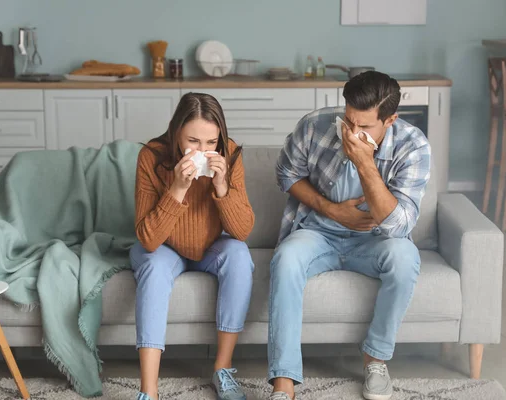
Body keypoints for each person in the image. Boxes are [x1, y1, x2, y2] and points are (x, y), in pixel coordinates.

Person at [268, 71, 431, 400]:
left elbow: (399, 225)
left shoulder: (413, 146)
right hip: (318, 232)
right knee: (285, 259)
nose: (352, 133)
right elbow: (286, 173)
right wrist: (330, 209)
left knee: (405, 258)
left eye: (365, 127)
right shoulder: (315, 126)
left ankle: (376, 360)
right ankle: (283, 383)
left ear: (390, 120)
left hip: (375, 240)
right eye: (349, 121)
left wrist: (365, 164)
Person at [130, 92, 255, 400]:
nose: (203, 151)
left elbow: (241, 231)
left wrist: (222, 186)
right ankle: (149, 390)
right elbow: (148, 238)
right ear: (176, 133)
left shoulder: (232, 154)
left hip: (211, 245)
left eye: (211, 143)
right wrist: (178, 187)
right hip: (164, 246)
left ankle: (222, 369)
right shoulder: (152, 156)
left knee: (239, 255)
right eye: (193, 142)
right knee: (154, 265)